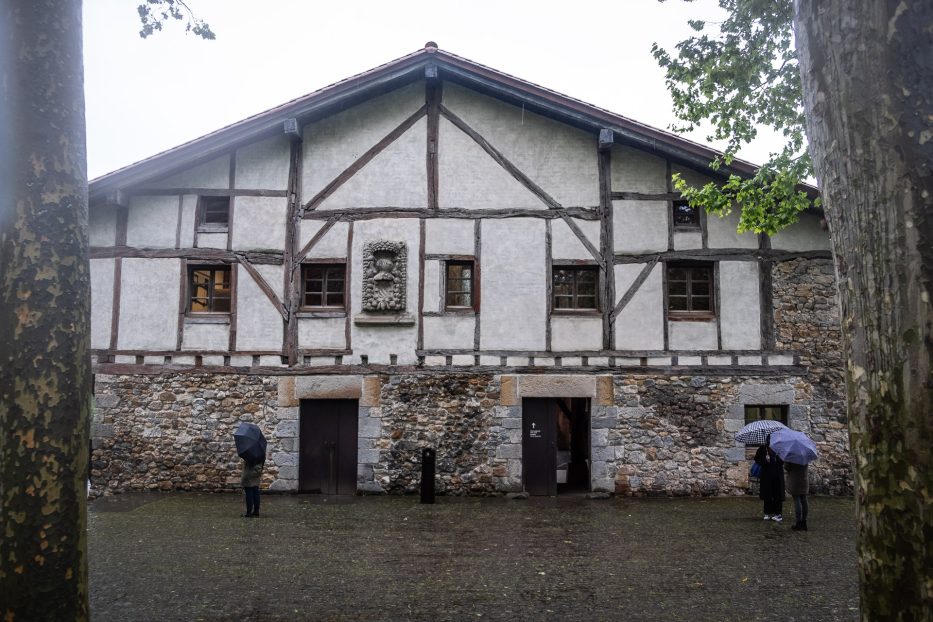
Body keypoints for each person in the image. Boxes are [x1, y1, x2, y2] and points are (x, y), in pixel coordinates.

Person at [754, 436, 785, 521]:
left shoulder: (779, 448)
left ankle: (778, 513)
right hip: (767, 475)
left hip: (777, 475)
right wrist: (765, 459)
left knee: (777, 495)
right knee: (767, 494)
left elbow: (782, 461)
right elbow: (756, 459)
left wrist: (777, 458)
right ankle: (767, 513)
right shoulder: (763, 448)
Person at [785, 461, 809, 531]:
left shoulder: (791, 457)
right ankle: (804, 522)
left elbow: (786, 467)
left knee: (797, 499)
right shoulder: (804, 455)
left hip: (795, 481)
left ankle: (798, 523)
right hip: (804, 480)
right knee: (804, 499)